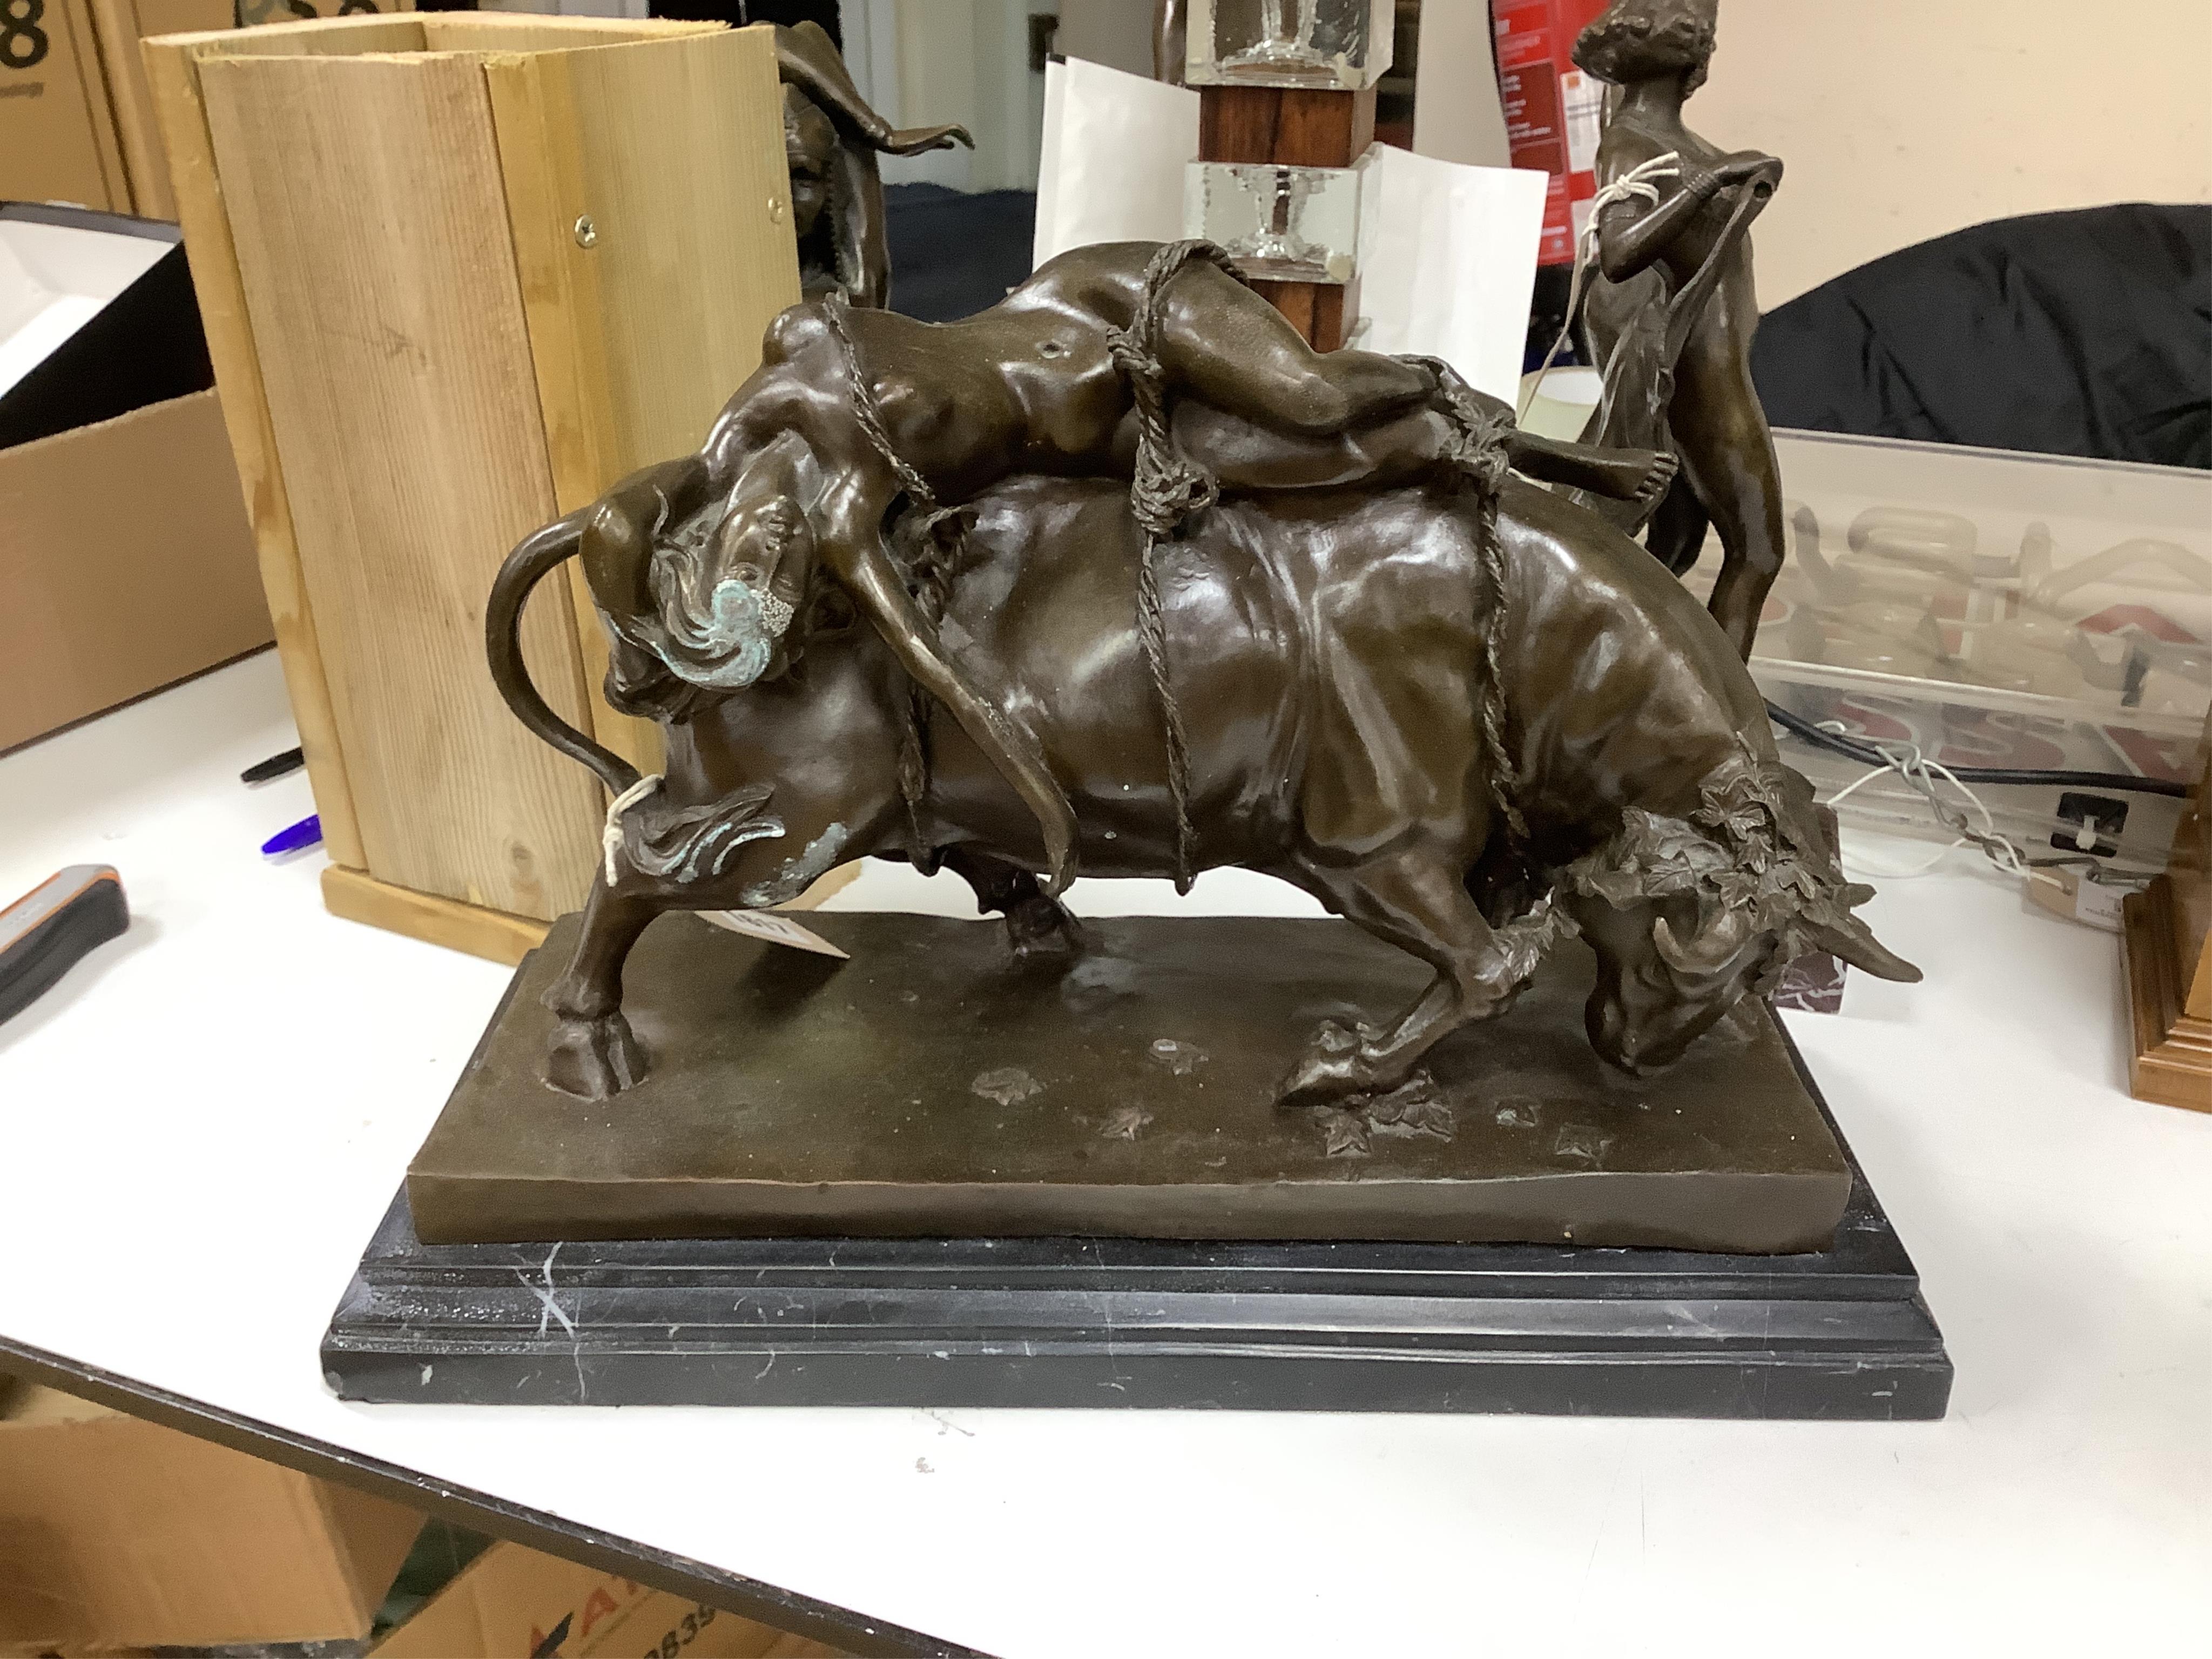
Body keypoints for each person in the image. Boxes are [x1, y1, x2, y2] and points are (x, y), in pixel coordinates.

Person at [585, 242, 1673, 894]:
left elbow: (638, 517)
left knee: (1314, 401)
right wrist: (1037, 801)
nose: (774, 562)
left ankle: (1542, 446)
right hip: (1120, 435)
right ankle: (1536, 455)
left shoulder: (776, 403)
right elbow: (937, 668)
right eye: (780, 588)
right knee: (1348, 463)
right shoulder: (837, 515)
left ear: (729, 540)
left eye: (761, 562)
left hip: (1120, 311)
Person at [1572, 0, 1786, 660]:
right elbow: (1618, 252)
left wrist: (1729, 181)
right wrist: (1707, 186)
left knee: (1671, 550)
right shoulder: (1632, 144)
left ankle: (1620, 685)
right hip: (1703, 379)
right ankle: (1721, 714)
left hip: (1720, 365)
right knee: (1757, 554)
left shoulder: (1683, 147)